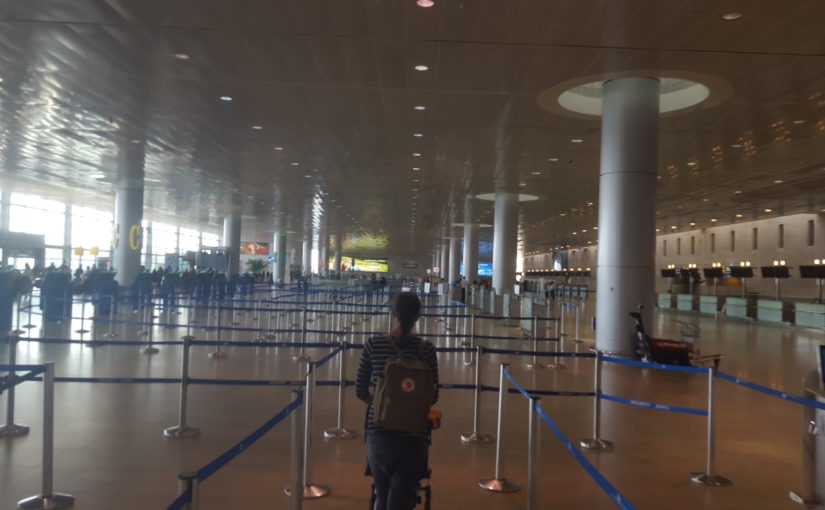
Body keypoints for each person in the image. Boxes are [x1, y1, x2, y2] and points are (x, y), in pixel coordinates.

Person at [356, 292, 439, 510]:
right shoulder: (427, 350)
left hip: (379, 432)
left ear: (393, 314)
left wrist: (381, 404)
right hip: (415, 435)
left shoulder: (373, 345)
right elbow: (433, 395)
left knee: (382, 493)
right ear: (417, 317)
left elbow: (360, 390)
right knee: (403, 494)